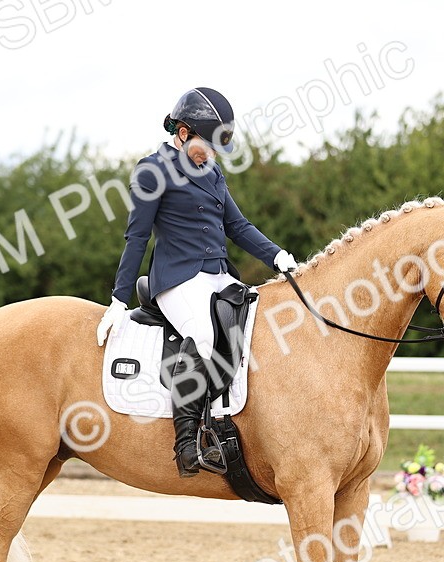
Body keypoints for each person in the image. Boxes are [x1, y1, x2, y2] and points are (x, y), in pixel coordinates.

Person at [96, 87, 297, 477]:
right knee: (204, 337)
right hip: (177, 278)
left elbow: (236, 226)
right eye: (209, 144)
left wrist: (276, 255)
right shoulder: (152, 170)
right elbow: (137, 237)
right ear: (184, 132)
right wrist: (119, 299)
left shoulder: (213, 171)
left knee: (257, 329)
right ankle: (187, 442)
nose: (214, 154)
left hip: (219, 275)